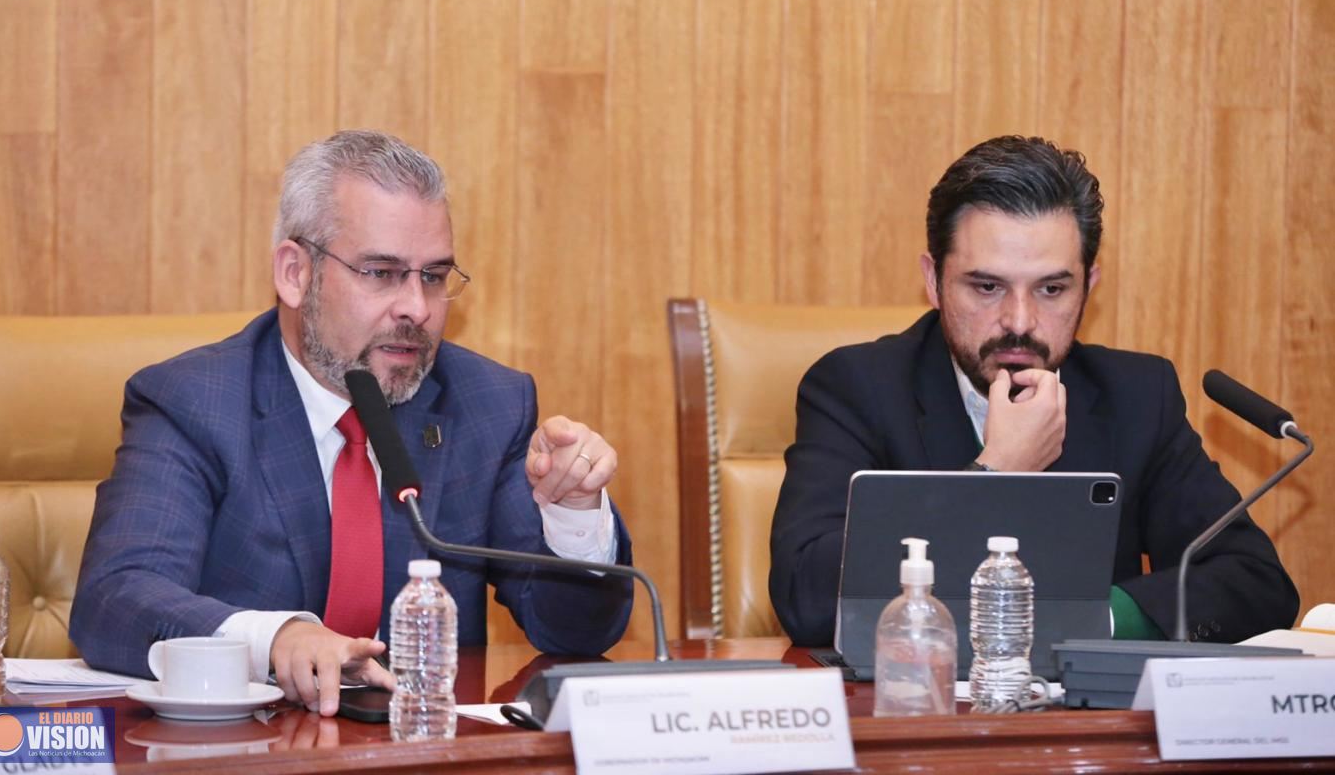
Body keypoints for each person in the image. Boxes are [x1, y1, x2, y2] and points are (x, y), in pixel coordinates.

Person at [71, 130, 633, 716]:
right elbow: (115, 599)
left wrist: (573, 515)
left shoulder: (487, 403)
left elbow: (574, 635)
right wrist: (276, 639)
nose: (417, 307)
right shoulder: (194, 401)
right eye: (381, 273)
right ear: (295, 274)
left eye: (434, 276)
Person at [769, 135, 1299, 647]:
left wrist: (1094, 621)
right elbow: (807, 598)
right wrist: (997, 472)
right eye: (987, 286)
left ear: (1088, 286)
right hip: (917, 716)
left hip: (1082, 729)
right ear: (933, 281)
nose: (1019, 322)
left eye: (1051, 289)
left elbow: (1254, 583)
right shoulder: (857, 389)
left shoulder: (1136, 397)